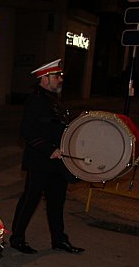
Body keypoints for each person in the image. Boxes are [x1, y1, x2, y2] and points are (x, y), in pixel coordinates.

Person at [9, 59, 84, 255]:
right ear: (45, 78)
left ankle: (59, 239)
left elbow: (56, 126)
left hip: (59, 161)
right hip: (40, 161)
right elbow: (27, 131)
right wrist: (49, 149)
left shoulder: (53, 99)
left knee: (57, 202)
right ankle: (17, 238)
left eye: (60, 76)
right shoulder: (35, 99)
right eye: (56, 77)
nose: (60, 80)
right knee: (30, 200)